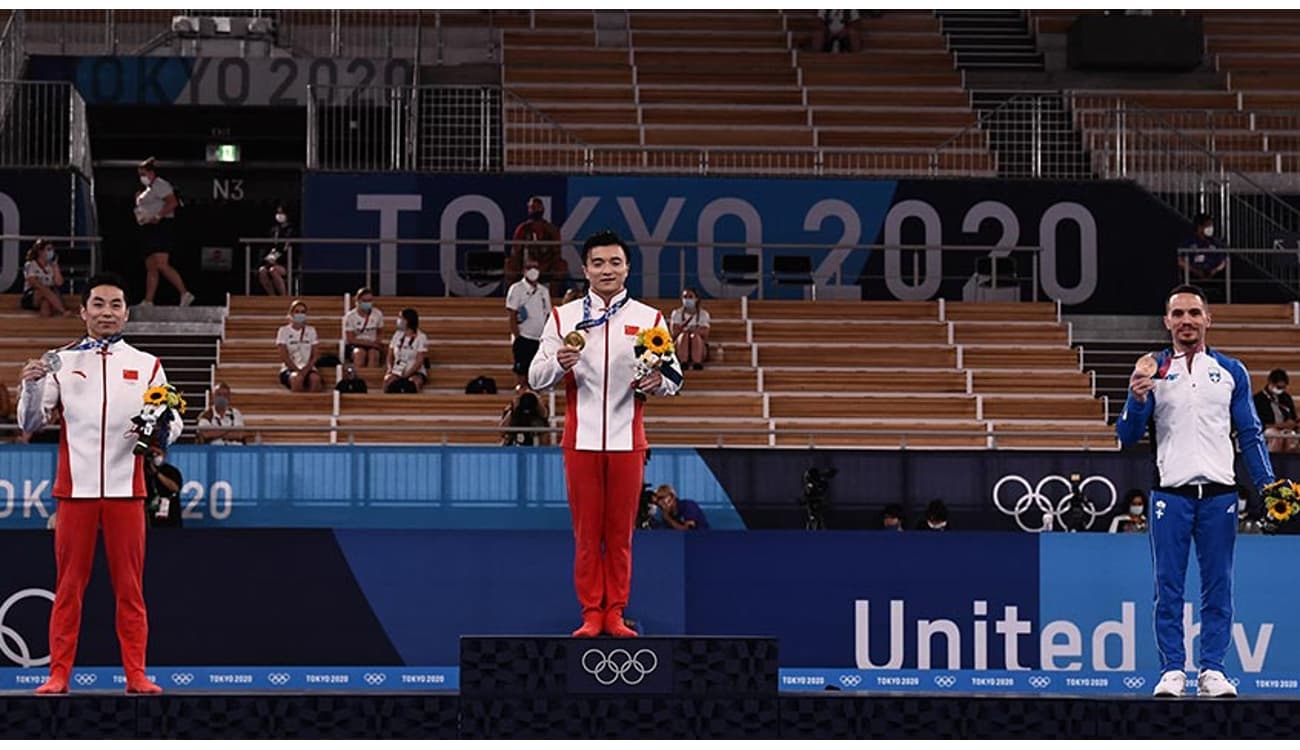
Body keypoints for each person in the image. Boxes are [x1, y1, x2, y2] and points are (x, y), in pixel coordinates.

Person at [16, 272, 180, 694]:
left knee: (131, 589)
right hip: (76, 491)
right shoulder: (59, 361)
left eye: (116, 305)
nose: (107, 312)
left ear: (126, 313)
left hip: (128, 492)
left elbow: (172, 423)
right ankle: (58, 674)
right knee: (68, 588)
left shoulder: (147, 365)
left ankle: (136, 674)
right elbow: (30, 422)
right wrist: (31, 387)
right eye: (99, 304)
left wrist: (162, 427)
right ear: (84, 310)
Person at [1117, 283, 1276, 699]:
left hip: (1221, 496)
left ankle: (1212, 669)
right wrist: (1136, 400)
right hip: (1171, 495)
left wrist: (1269, 486)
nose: (1186, 320)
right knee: (1167, 585)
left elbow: (1250, 433)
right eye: (1178, 314)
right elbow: (1127, 436)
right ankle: (1173, 669)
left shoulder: (1231, 371)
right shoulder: (1152, 370)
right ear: (1167, 322)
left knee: (1217, 585)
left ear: (1208, 319)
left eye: (1194, 313)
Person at [529, 229, 683, 638]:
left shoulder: (649, 319)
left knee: (619, 537)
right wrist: (561, 362)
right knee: (585, 535)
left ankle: (615, 612)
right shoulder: (564, 318)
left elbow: (674, 376)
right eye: (598, 263)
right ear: (585, 269)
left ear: (627, 267)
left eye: (615, 262)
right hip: (580, 442)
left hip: (627, 442)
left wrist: (658, 383)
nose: (607, 270)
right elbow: (535, 375)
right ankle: (590, 614)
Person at [134, 157, 193, 308]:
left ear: (150, 173)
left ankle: (184, 293)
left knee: (162, 264)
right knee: (151, 265)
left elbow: (172, 202)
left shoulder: (161, 184)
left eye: (143, 174)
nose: (142, 177)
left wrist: (158, 216)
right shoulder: (147, 190)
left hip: (162, 227)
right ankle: (148, 300)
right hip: (148, 228)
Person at [506, 256, 552, 389]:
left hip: (540, 339)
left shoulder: (544, 291)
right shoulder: (516, 289)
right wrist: (518, 336)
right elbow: (512, 314)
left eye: (536, 267)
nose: (533, 270)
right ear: (523, 270)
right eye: (529, 267)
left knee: (538, 371)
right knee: (522, 371)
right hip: (524, 337)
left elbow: (548, 313)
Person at [507, 196, 566, 295]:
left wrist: (544, 266)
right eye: (531, 207)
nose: (534, 210)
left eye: (537, 207)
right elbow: (515, 251)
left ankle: (553, 297)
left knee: (561, 266)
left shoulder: (551, 229)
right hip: (526, 265)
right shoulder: (523, 229)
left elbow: (557, 252)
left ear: (542, 209)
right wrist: (524, 265)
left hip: (546, 265)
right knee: (509, 264)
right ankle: (511, 297)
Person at [276, 300, 323, 392]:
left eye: (302, 312)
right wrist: (296, 370)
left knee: (315, 379)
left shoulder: (311, 331)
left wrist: (306, 370)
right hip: (290, 368)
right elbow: (284, 355)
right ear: (291, 313)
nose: (299, 314)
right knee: (296, 379)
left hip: (307, 367)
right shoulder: (283, 331)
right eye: (297, 312)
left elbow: (315, 355)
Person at [1178, 212, 1227, 300]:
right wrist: (1195, 271)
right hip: (1193, 276)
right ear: (1199, 227)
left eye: (1211, 225)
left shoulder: (1215, 243)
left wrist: (1214, 271)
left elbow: (1224, 261)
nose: (1210, 228)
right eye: (1208, 225)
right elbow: (1180, 260)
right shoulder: (1189, 242)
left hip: (1214, 276)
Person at [21, 239, 71, 317]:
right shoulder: (30, 265)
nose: (51, 252)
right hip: (33, 295)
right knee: (43, 290)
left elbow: (59, 283)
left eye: (52, 249)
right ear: (40, 251)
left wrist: (55, 266)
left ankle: (44, 327)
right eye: (48, 249)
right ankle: (63, 311)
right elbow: (34, 283)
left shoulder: (51, 266)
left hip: (50, 295)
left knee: (45, 304)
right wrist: (46, 290)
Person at [1253, 368, 1298, 453]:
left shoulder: (1286, 398)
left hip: (1285, 430)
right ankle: (1273, 461)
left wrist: (1291, 424)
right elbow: (1258, 423)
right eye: (1278, 387)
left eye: (1283, 387)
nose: (1280, 389)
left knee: (1291, 437)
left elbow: (1293, 418)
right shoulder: (1258, 399)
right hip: (1268, 430)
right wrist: (1279, 425)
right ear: (1270, 383)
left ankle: (1290, 463)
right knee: (1276, 437)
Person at [384, 307, 428, 394]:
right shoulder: (397, 335)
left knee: (414, 382)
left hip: (414, 371)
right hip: (398, 369)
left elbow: (419, 360)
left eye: (401, 318)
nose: (399, 320)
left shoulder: (421, 337)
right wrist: (389, 369)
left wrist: (407, 374)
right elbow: (390, 355)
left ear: (408, 320)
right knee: (388, 380)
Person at [257, 203, 295, 297]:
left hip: (285, 263)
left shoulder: (292, 230)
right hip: (270, 260)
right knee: (262, 271)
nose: (279, 215)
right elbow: (268, 246)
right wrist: (267, 258)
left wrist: (277, 259)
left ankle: (283, 297)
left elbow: (286, 248)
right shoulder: (274, 229)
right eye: (278, 213)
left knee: (273, 270)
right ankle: (272, 297)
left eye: (282, 213)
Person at [343, 287, 385, 369]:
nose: (368, 303)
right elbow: (350, 339)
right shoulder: (350, 316)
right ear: (358, 301)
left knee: (373, 355)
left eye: (370, 300)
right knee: (359, 354)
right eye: (365, 301)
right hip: (356, 345)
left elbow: (380, 332)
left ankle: (370, 379)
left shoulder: (377, 314)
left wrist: (377, 342)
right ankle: (358, 379)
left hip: (373, 345)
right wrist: (369, 343)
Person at [670, 288, 710, 371]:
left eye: (690, 297)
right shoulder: (676, 313)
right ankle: (683, 362)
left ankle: (697, 363)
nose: (687, 299)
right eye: (685, 297)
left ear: (696, 299)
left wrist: (689, 330)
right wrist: (688, 330)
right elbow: (674, 332)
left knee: (694, 336)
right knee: (684, 336)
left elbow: (705, 333)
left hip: (699, 346)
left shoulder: (703, 314)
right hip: (680, 345)